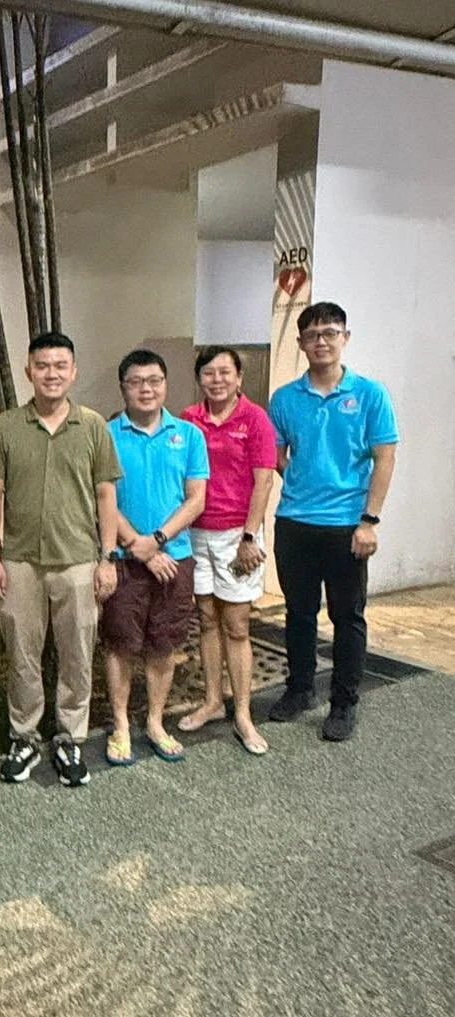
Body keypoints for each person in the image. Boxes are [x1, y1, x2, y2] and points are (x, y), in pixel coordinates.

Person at [0, 332, 121, 787]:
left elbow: (105, 493)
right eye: (43, 365)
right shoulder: (7, 427)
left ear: (73, 371)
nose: (52, 373)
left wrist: (107, 557)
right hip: (19, 560)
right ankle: (24, 737)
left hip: (79, 560)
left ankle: (69, 738)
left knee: (78, 653)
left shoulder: (93, 426)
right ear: (29, 372)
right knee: (22, 652)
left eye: (61, 365)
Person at [268, 302, 398, 741]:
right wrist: (304, 484)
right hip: (294, 523)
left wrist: (369, 520)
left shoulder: (370, 394)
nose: (321, 340)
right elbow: (278, 454)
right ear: (301, 343)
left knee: (348, 616)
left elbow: (385, 458)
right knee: (299, 614)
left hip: (347, 526)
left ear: (345, 337)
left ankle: (343, 703)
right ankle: (300, 689)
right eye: (312, 334)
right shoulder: (285, 398)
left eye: (330, 332)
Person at [100, 349, 208, 766]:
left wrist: (159, 539)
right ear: (123, 387)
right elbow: (101, 499)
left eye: (155, 381)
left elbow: (196, 499)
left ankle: (156, 722)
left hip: (175, 558)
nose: (146, 389)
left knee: (164, 646)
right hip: (125, 560)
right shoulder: (106, 434)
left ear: (165, 384)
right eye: (136, 382)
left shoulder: (188, 435)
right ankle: (121, 726)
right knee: (120, 646)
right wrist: (138, 547)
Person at [179, 347, 277, 755]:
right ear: (199, 378)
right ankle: (212, 702)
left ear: (239, 377)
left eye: (225, 372)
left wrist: (250, 537)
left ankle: (243, 713)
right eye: (208, 372)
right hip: (196, 533)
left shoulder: (255, 419)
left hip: (239, 535)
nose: (216, 379)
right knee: (205, 621)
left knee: (236, 625)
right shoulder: (188, 420)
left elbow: (264, 482)